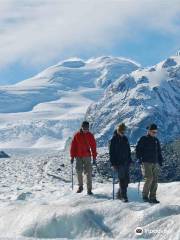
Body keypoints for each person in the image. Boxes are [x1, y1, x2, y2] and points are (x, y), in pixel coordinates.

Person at [136, 123, 163, 204]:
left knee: (155, 180)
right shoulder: (143, 139)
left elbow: (159, 151)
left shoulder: (156, 140)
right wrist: (139, 158)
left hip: (155, 162)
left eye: (156, 132)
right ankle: (145, 196)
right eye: (153, 132)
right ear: (149, 131)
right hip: (146, 162)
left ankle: (153, 197)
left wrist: (160, 160)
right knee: (149, 178)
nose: (155, 133)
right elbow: (138, 149)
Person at [70, 121, 97, 195]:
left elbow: (93, 147)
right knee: (79, 171)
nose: (86, 130)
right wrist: (72, 157)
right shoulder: (77, 135)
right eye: (84, 128)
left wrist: (94, 157)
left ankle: (89, 190)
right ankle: (80, 187)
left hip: (87, 156)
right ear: (82, 127)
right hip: (78, 156)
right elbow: (73, 147)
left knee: (88, 173)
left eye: (87, 128)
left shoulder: (90, 135)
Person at [109, 123, 132, 202]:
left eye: (124, 132)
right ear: (118, 131)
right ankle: (124, 196)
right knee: (122, 179)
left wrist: (130, 160)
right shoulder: (113, 140)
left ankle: (120, 194)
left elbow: (128, 150)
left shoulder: (125, 139)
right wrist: (113, 163)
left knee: (127, 180)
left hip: (126, 162)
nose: (123, 133)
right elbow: (111, 153)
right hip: (118, 163)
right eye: (121, 132)